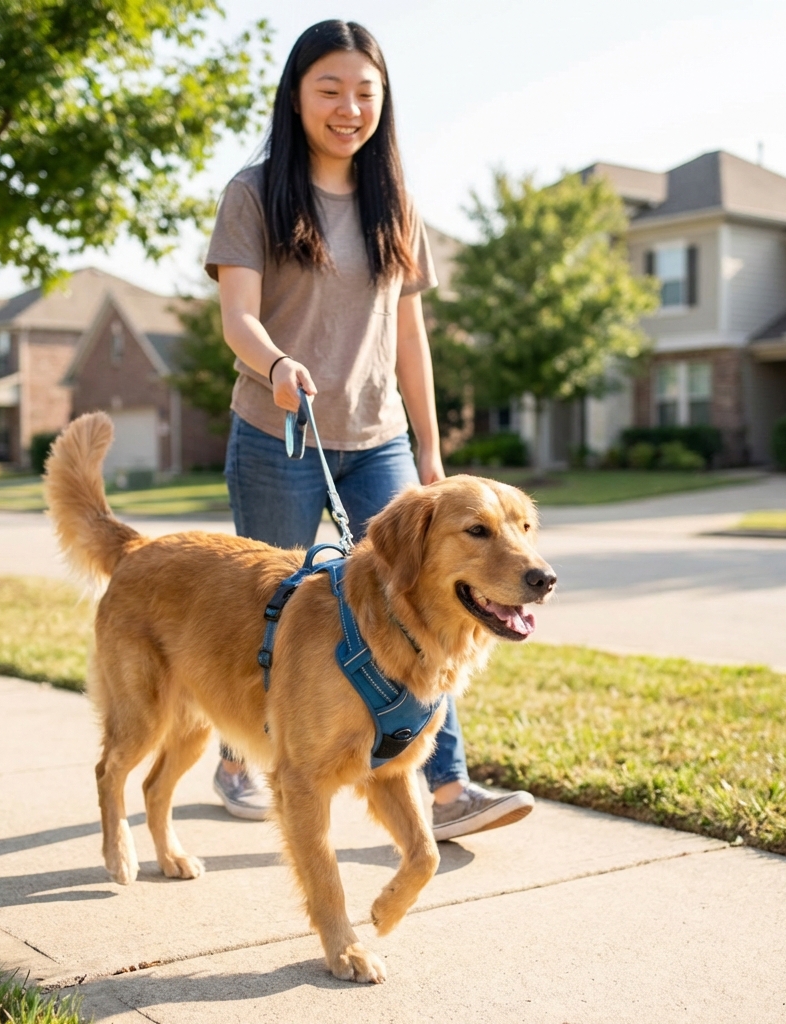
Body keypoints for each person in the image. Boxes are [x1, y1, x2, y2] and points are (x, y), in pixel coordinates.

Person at [204, 19, 534, 842]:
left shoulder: (397, 205)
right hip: (281, 431)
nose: (349, 108)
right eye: (331, 89)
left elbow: (408, 335)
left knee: (427, 603)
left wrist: (428, 445)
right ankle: (243, 756)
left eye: (366, 92)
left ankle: (447, 787)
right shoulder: (255, 193)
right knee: (274, 606)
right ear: (297, 96)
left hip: (379, 433)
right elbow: (237, 317)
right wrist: (277, 365)